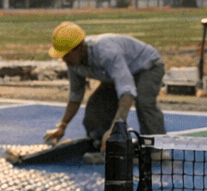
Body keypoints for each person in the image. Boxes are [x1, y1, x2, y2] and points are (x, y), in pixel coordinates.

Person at [42, 21, 167, 152]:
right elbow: (75, 95)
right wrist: (62, 126)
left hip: (146, 67)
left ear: (80, 47)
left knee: (144, 102)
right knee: (95, 107)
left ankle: (157, 149)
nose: (63, 59)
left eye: (66, 54)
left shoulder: (106, 51)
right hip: (116, 74)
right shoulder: (73, 62)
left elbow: (127, 91)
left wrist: (115, 128)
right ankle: (107, 144)